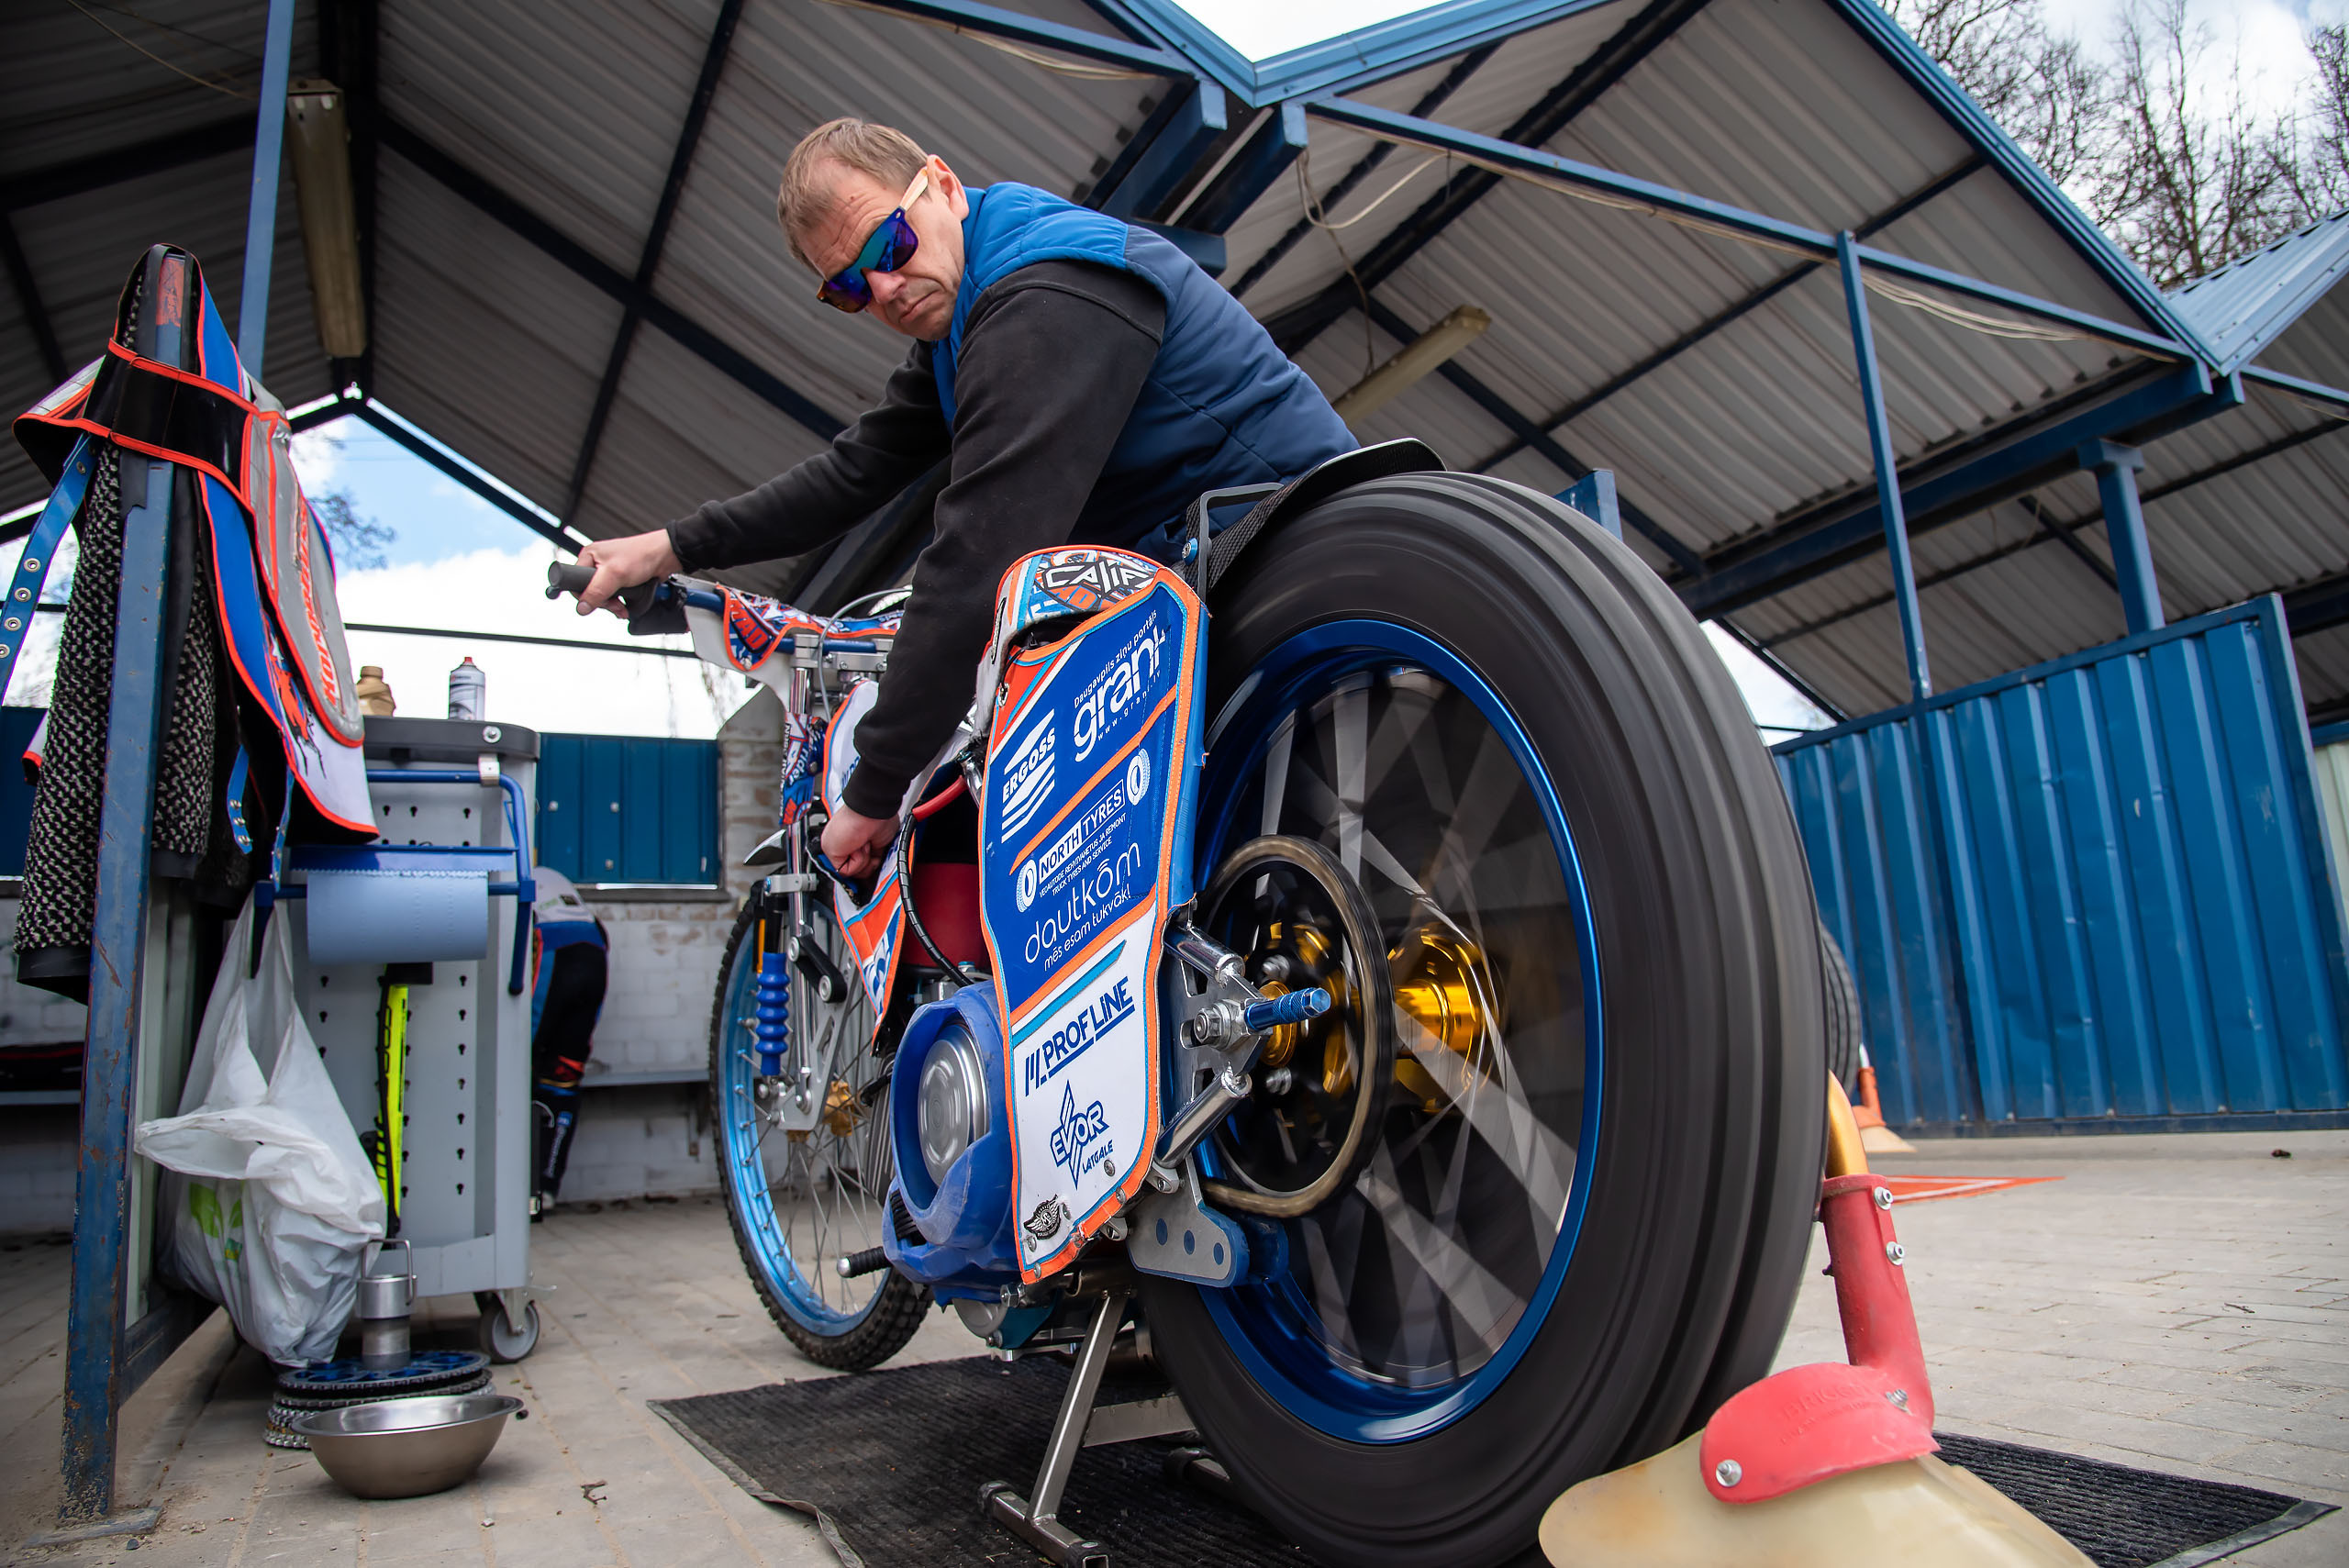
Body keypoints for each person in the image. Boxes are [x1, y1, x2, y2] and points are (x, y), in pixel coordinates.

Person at [573, 118, 1353, 879]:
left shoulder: (1040, 293)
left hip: (1286, 547)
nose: (883, 287)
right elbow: (852, 472)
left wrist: (873, 789)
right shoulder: (961, 317)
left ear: (941, 184)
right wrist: (670, 546)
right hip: (1204, 571)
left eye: (889, 245)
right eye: (848, 286)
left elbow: (980, 558)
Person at [529, 864, 608, 1216]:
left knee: (521, 1061)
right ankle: (547, 1187)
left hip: (554, 950)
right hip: (595, 953)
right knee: (563, 1078)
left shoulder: (517, 871)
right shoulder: (552, 877)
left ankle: (522, 1186)